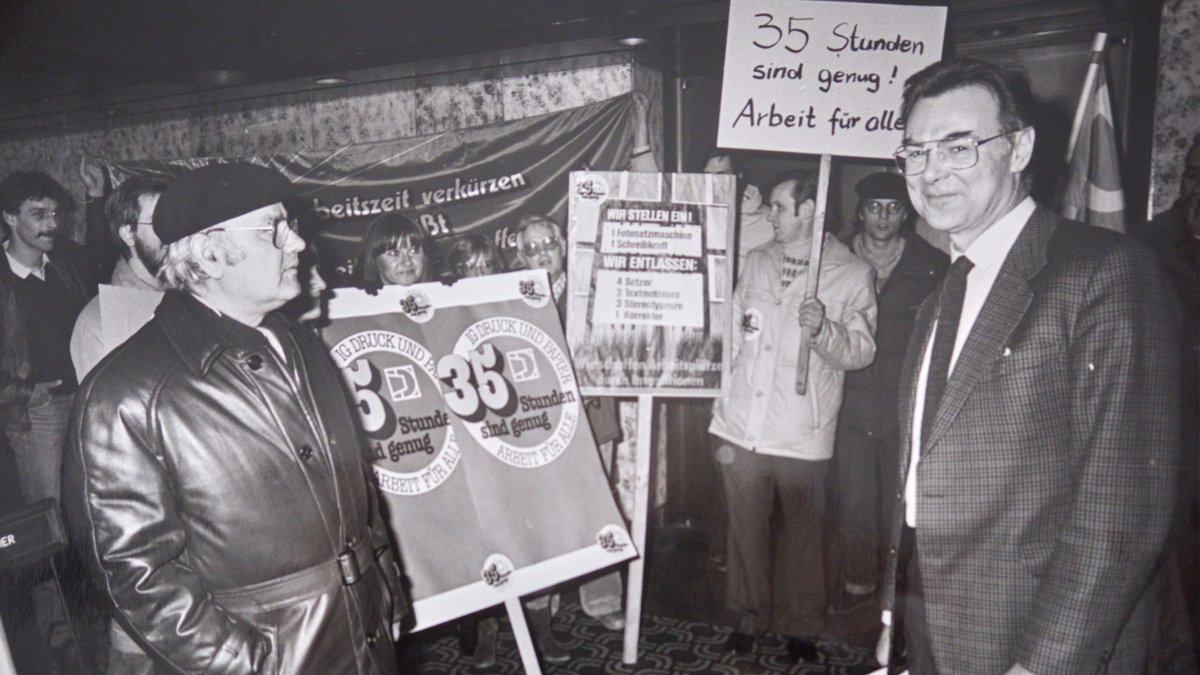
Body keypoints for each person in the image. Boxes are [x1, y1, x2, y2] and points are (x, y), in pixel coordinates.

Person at [877, 57, 1180, 674]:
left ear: (1018, 149)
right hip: (934, 620)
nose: (931, 172)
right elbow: (922, 476)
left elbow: (1119, 513)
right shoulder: (939, 296)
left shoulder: (1104, 273)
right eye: (916, 151)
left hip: (1037, 639)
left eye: (959, 147)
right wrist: (896, 618)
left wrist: (1039, 665)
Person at [63, 162, 405, 673]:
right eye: (273, 228)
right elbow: (139, 580)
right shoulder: (125, 395)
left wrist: (386, 592)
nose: (297, 243)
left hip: (364, 637)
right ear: (209, 253)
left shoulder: (304, 347)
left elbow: (358, 492)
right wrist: (249, 665)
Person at [709, 170, 876, 663]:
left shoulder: (850, 272)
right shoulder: (758, 260)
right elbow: (737, 333)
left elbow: (861, 351)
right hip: (742, 424)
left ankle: (802, 626)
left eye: (779, 207)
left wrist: (823, 331)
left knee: (805, 534)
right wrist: (716, 388)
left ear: (810, 211)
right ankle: (749, 617)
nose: (771, 216)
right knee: (746, 529)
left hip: (802, 428)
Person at [829, 172, 947, 615]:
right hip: (849, 406)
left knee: (900, 506)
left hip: (904, 410)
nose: (883, 216)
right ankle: (857, 582)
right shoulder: (832, 260)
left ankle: (895, 591)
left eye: (893, 207)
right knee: (856, 502)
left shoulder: (933, 266)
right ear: (860, 213)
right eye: (874, 206)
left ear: (907, 213)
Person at [513, 213, 626, 661]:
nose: (543, 253)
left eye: (550, 244)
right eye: (533, 247)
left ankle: (602, 599)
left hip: (594, 417)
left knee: (597, 504)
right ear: (520, 256)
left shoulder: (593, 288)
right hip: (541, 425)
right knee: (545, 514)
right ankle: (545, 604)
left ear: (564, 246)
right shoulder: (511, 298)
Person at [67, 174, 168, 675]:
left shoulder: (189, 301)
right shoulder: (99, 322)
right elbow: (111, 452)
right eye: (160, 222)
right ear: (128, 234)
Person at [358, 211, 432, 286]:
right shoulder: (354, 297)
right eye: (394, 253)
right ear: (374, 260)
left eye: (413, 251)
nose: (407, 262)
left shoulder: (441, 295)